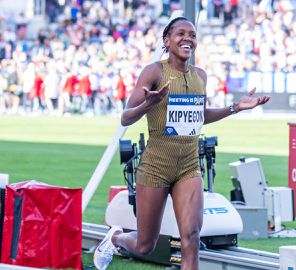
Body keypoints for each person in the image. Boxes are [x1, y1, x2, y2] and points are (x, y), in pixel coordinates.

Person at [93, 17, 270, 270]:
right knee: (145, 245)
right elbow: (126, 116)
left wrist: (235, 108)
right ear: (167, 40)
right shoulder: (154, 72)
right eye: (180, 34)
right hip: (156, 165)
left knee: (192, 238)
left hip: (188, 165)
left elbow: (200, 117)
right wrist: (148, 104)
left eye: (192, 35)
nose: (187, 38)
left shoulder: (200, 76)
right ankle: (116, 237)